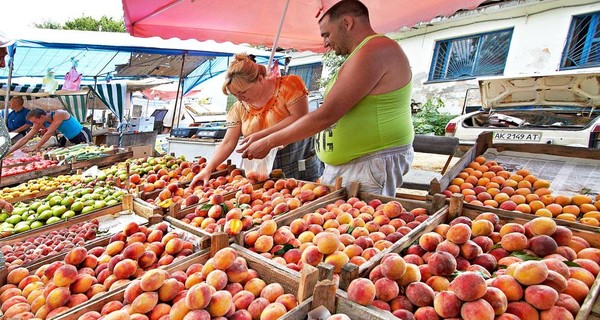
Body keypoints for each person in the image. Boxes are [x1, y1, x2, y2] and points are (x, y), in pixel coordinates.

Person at [239, 0, 414, 196]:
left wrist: (268, 142)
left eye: (326, 34)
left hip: (369, 162)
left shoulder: (375, 50)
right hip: (355, 164)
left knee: (359, 223)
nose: (325, 43)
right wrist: (263, 136)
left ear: (347, 23)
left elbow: (326, 116)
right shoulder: (361, 54)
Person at [190, 53, 322, 187]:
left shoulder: (289, 85)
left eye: (243, 92)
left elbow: (299, 118)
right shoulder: (239, 107)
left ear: (260, 79)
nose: (240, 98)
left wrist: (261, 136)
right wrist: (208, 169)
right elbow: (228, 142)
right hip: (263, 170)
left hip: (297, 160)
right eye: (235, 95)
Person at [9, 108, 92, 154]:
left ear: (41, 117)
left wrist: (35, 147)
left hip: (81, 134)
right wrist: (8, 151)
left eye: (34, 121)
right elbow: (25, 138)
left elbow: (49, 133)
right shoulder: (39, 122)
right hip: (70, 138)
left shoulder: (59, 114)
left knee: (88, 152)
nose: (34, 124)